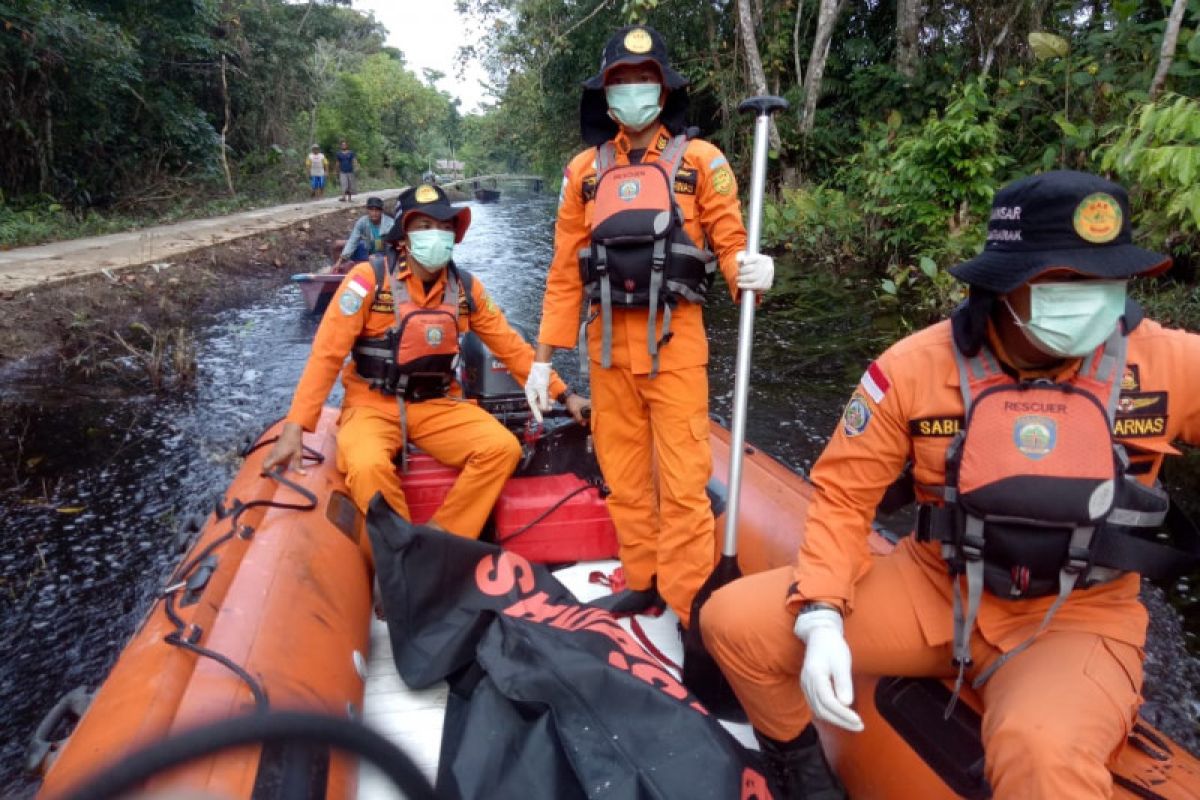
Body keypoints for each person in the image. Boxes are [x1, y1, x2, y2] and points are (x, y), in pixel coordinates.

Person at [699, 171, 1200, 799]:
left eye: (1107, 280)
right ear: (1004, 282)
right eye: (1065, 280)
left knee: (1040, 753)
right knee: (732, 622)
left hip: (1077, 615)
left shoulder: (1165, 362)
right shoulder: (912, 369)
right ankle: (805, 774)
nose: (1091, 299)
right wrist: (822, 613)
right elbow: (845, 495)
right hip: (935, 589)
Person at [523, 25, 775, 629]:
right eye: (621, 82)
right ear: (605, 97)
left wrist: (756, 275)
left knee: (686, 489)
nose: (633, 92)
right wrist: (541, 357)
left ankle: (688, 611)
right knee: (627, 480)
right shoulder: (582, 172)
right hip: (605, 351)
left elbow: (733, 248)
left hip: (675, 344)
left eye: (644, 81)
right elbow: (564, 271)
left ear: (663, 92)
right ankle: (642, 581)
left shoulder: (701, 161)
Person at [264, 183, 589, 547]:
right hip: (372, 406)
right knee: (367, 465)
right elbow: (327, 355)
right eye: (423, 227)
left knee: (502, 448)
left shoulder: (466, 289)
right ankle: (398, 556)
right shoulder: (366, 280)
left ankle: (439, 539)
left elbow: (511, 348)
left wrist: (566, 394)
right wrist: (296, 426)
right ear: (402, 237)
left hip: (438, 404)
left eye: (445, 227)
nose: (437, 236)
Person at [335, 196, 394, 270]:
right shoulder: (362, 222)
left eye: (377, 210)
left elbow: (391, 247)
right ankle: (339, 268)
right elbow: (353, 240)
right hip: (367, 248)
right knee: (338, 245)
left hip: (383, 252)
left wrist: (378, 256)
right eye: (371, 210)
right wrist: (340, 260)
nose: (374, 213)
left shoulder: (390, 224)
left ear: (381, 211)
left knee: (376, 256)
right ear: (367, 210)